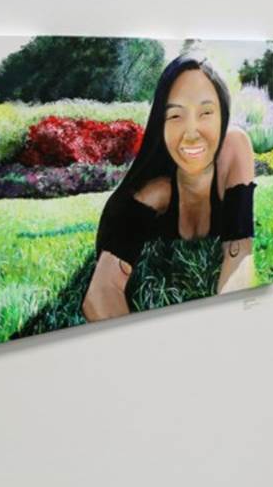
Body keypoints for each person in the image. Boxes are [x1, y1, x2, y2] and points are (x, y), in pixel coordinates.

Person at [82, 52, 256, 322]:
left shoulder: (235, 148)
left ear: (223, 116)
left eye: (206, 112)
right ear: (160, 126)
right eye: (175, 116)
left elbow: (240, 251)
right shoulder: (153, 194)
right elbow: (100, 293)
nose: (191, 131)